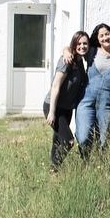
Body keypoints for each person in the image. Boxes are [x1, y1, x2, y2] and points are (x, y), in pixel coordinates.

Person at [43, 31, 88, 170]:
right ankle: (54, 168)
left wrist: (66, 49)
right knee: (68, 141)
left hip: (67, 108)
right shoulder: (66, 61)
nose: (82, 46)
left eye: (85, 43)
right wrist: (51, 112)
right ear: (74, 45)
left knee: (57, 139)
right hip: (54, 106)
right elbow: (55, 86)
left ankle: (54, 170)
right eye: (79, 43)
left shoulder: (80, 61)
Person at [74, 23, 110, 158]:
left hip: (106, 104)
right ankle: (85, 159)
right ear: (97, 39)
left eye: (107, 34)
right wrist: (66, 50)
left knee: (105, 140)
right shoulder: (92, 51)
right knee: (83, 137)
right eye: (101, 35)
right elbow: (74, 48)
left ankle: (101, 165)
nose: (105, 37)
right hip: (86, 100)